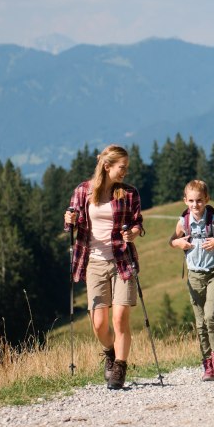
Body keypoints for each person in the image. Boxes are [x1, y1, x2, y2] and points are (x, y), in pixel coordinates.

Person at [64, 144, 144, 390]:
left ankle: (120, 367)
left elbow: (137, 223)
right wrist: (69, 219)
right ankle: (109, 352)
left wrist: (133, 232)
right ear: (107, 166)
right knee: (99, 323)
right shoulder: (84, 191)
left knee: (120, 318)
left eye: (126, 168)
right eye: (122, 167)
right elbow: (72, 220)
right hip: (94, 262)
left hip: (122, 260)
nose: (125, 172)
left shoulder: (129, 194)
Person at [169, 180, 214, 381]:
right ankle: (207, 364)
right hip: (194, 275)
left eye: (199, 200)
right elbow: (172, 241)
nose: (195, 204)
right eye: (191, 201)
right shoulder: (183, 222)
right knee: (199, 323)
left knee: (210, 317)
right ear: (185, 201)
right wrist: (179, 243)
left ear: (207, 199)